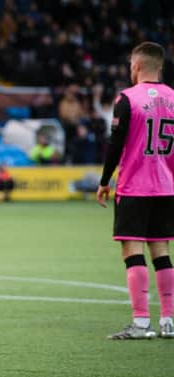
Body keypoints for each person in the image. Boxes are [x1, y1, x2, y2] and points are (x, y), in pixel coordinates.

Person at [97, 42, 174, 340]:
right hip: (166, 187)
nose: (130, 70)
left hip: (134, 186)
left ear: (138, 65)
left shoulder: (127, 99)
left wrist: (105, 181)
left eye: (131, 65)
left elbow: (116, 144)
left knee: (132, 250)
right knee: (162, 251)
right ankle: (168, 322)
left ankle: (141, 323)